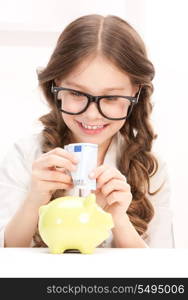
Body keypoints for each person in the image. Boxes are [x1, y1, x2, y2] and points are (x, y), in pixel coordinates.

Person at [0, 14, 174, 248]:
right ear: (56, 86)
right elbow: (8, 256)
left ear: (136, 93)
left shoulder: (150, 170)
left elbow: (159, 270)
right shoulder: (26, 155)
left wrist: (118, 219)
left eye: (111, 97)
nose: (92, 115)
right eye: (77, 94)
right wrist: (34, 200)